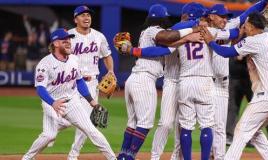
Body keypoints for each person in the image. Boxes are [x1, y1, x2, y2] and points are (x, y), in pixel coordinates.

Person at [202, 12, 268, 160]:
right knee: (253, 131)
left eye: (246, 24)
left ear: (250, 25)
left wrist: (211, 41)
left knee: (241, 130)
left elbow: (226, 52)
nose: (244, 27)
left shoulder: (254, 41)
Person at [117, 4, 199, 160]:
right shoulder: (154, 31)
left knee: (133, 123)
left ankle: (123, 155)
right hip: (144, 80)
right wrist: (190, 31)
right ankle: (128, 157)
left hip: (134, 79)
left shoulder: (146, 32)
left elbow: (169, 38)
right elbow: (167, 41)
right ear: (163, 19)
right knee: (145, 124)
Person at [21, 28, 116, 160]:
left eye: (69, 39)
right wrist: (52, 103)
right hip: (51, 102)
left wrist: (92, 101)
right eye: (64, 40)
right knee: (49, 135)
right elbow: (40, 88)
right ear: (55, 44)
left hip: (72, 101)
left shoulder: (73, 59)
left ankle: (112, 158)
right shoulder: (45, 64)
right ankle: (27, 157)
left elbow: (79, 81)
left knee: (91, 130)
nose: (68, 42)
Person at [66, 5, 115, 160]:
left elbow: (107, 56)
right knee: (61, 121)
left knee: (86, 122)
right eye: (82, 15)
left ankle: (73, 155)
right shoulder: (68, 36)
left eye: (88, 15)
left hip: (91, 83)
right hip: (70, 84)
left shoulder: (99, 36)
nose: (86, 17)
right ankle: (43, 142)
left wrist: (111, 71)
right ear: (75, 19)